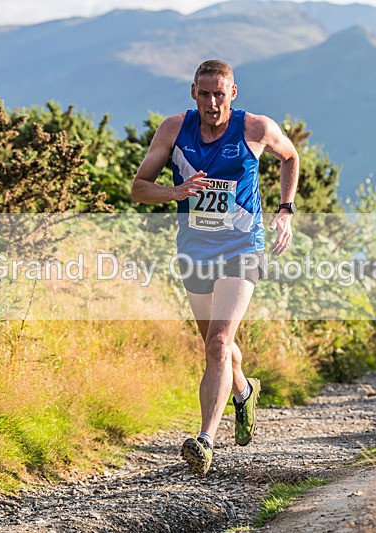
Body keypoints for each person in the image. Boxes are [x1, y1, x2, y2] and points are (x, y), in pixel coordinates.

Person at [131, 59, 299, 476]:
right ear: (193, 93)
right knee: (213, 343)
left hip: (242, 246)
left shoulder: (255, 128)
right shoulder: (174, 129)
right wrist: (178, 191)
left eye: (219, 94)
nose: (211, 102)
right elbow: (138, 188)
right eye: (204, 94)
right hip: (195, 248)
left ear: (233, 93)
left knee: (220, 343)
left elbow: (290, 156)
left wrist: (285, 211)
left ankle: (205, 440)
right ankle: (244, 391)